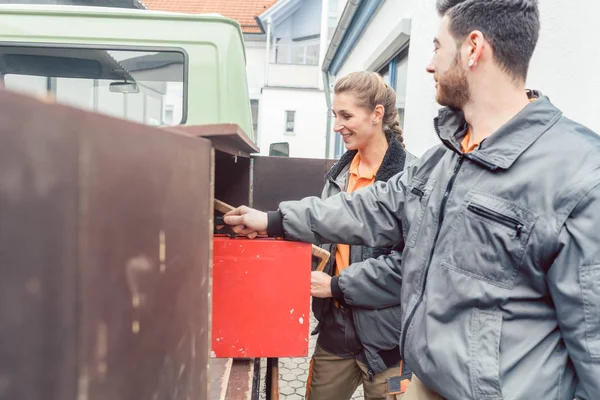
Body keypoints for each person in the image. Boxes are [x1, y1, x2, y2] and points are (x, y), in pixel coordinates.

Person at [225, 0, 600, 399]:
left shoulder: (577, 173)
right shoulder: (444, 160)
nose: (428, 64)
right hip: (421, 382)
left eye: (437, 47)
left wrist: (336, 285)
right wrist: (272, 220)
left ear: (473, 48)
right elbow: (369, 207)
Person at [305, 71, 416, 400]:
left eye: (346, 116)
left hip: (390, 341)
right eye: (335, 115)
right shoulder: (339, 176)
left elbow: (413, 266)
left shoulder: (414, 178)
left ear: (376, 115)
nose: (337, 126)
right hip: (336, 330)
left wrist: (337, 285)